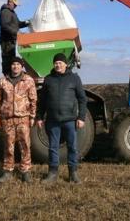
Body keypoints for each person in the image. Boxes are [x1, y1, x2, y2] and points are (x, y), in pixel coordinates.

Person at [36, 53, 87, 184]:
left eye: (60, 63)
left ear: (65, 64)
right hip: (53, 121)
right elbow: (42, 101)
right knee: (53, 147)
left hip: (70, 120)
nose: (58, 65)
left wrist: (81, 117)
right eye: (56, 63)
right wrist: (40, 117)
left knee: (72, 147)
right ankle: (52, 173)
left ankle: (73, 173)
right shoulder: (48, 79)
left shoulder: (74, 79)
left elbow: (82, 99)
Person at [0, 56, 37, 183]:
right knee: (8, 146)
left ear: (21, 66)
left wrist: (33, 116)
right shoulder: (3, 81)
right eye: (13, 64)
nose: (15, 66)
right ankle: (7, 171)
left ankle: (25, 171)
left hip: (23, 118)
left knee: (25, 145)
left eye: (18, 64)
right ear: (10, 66)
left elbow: (33, 100)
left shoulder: (28, 80)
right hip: (7, 119)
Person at [0, 0, 30, 75]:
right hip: (6, 40)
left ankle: (11, 74)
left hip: (11, 40)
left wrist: (27, 22)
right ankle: (7, 75)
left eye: (16, 5)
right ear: (9, 2)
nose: (15, 6)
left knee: (12, 57)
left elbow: (18, 24)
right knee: (7, 58)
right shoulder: (5, 12)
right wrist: (16, 32)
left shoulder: (12, 13)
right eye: (14, 4)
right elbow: (4, 25)